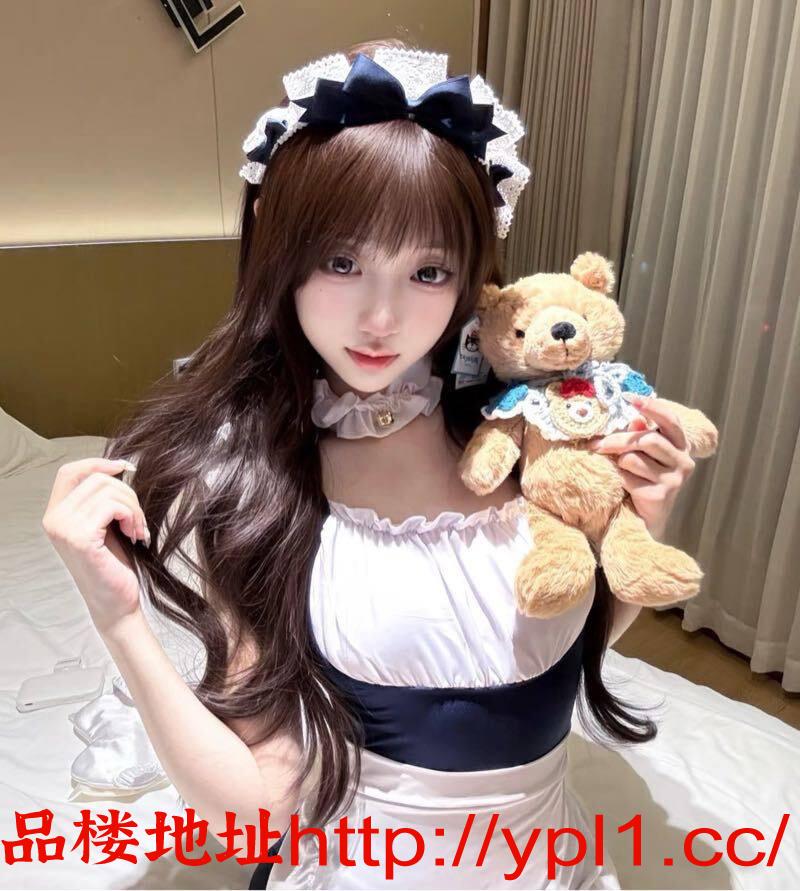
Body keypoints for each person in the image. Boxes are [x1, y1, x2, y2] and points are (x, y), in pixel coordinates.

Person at [42, 37, 698, 889]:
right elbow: (260, 820)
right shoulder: (256, 483)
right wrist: (119, 616)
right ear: (281, 256)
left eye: (427, 270)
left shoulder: (528, 430)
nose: (381, 319)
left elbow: (548, 652)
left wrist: (645, 521)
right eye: (342, 261)